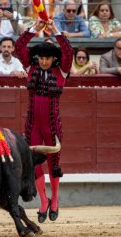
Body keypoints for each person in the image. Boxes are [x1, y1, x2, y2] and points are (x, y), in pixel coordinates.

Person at [15, 19, 73, 223]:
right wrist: (34, 30)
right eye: (41, 58)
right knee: (35, 165)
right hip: (33, 125)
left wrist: (55, 30)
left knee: (54, 163)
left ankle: (55, 198)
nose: (44, 62)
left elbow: (68, 51)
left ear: (54, 59)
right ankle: (43, 200)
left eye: (48, 58)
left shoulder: (62, 71)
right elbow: (19, 47)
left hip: (52, 124)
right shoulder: (31, 67)